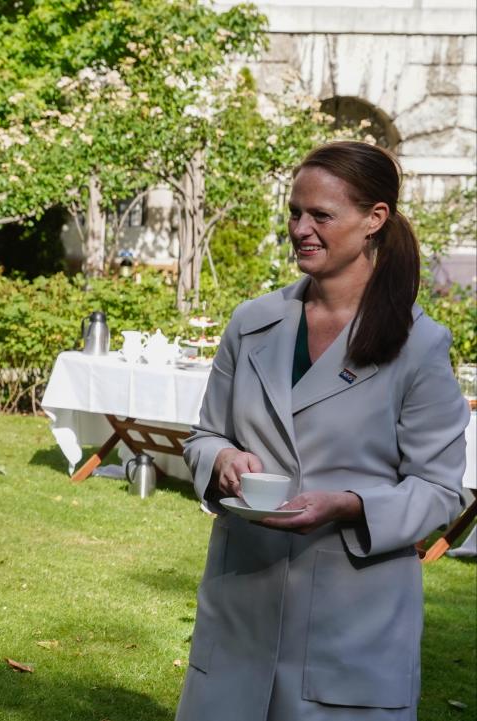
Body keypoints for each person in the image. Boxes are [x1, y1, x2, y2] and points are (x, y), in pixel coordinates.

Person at [175, 141, 469, 721]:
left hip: (352, 620)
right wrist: (222, 460)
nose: (300, 228)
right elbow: (202, 436)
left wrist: (348, 505)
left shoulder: (420, 346)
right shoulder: (251, 323)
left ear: (374, 220)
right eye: (294, 212)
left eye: (321, 216)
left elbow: (441, 491)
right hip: (242, 604)